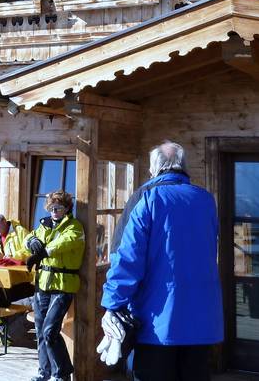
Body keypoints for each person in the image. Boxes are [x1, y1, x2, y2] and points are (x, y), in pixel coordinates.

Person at [100, 141, 223, 381]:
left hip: (157, 322)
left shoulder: (147, 198)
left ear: (153, 168)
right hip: (202, 320)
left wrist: (112, 304)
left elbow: (126, 258)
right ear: (184, 167)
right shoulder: (206, 200)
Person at [25, 190, 85, 381]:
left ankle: (62, 374)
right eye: (51, 208)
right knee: (40, 329)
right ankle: (44, 372)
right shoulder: (44, 225)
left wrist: (41, 253)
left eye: (58, 207)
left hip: (63, 284)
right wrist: (32, 241)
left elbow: (63, 243)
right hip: (43, 283)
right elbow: (29, 238)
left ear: (67, 208)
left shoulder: (74, 227)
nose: (54, 211)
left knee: (50, 330)